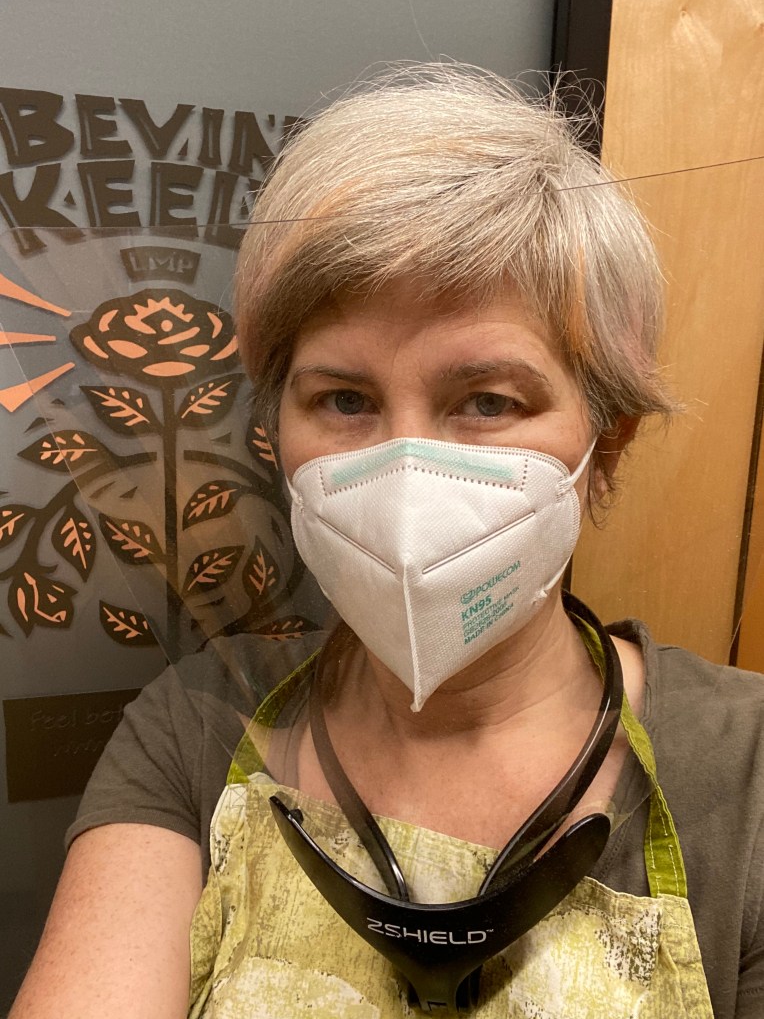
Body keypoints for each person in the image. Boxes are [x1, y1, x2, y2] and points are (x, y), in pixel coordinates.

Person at [10, 65, 764, 1019]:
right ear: (277, 431)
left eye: (488, 401)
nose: (407, 475)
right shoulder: (194, 726)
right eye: (344, 399)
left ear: (604, 441)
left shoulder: (748, 772)